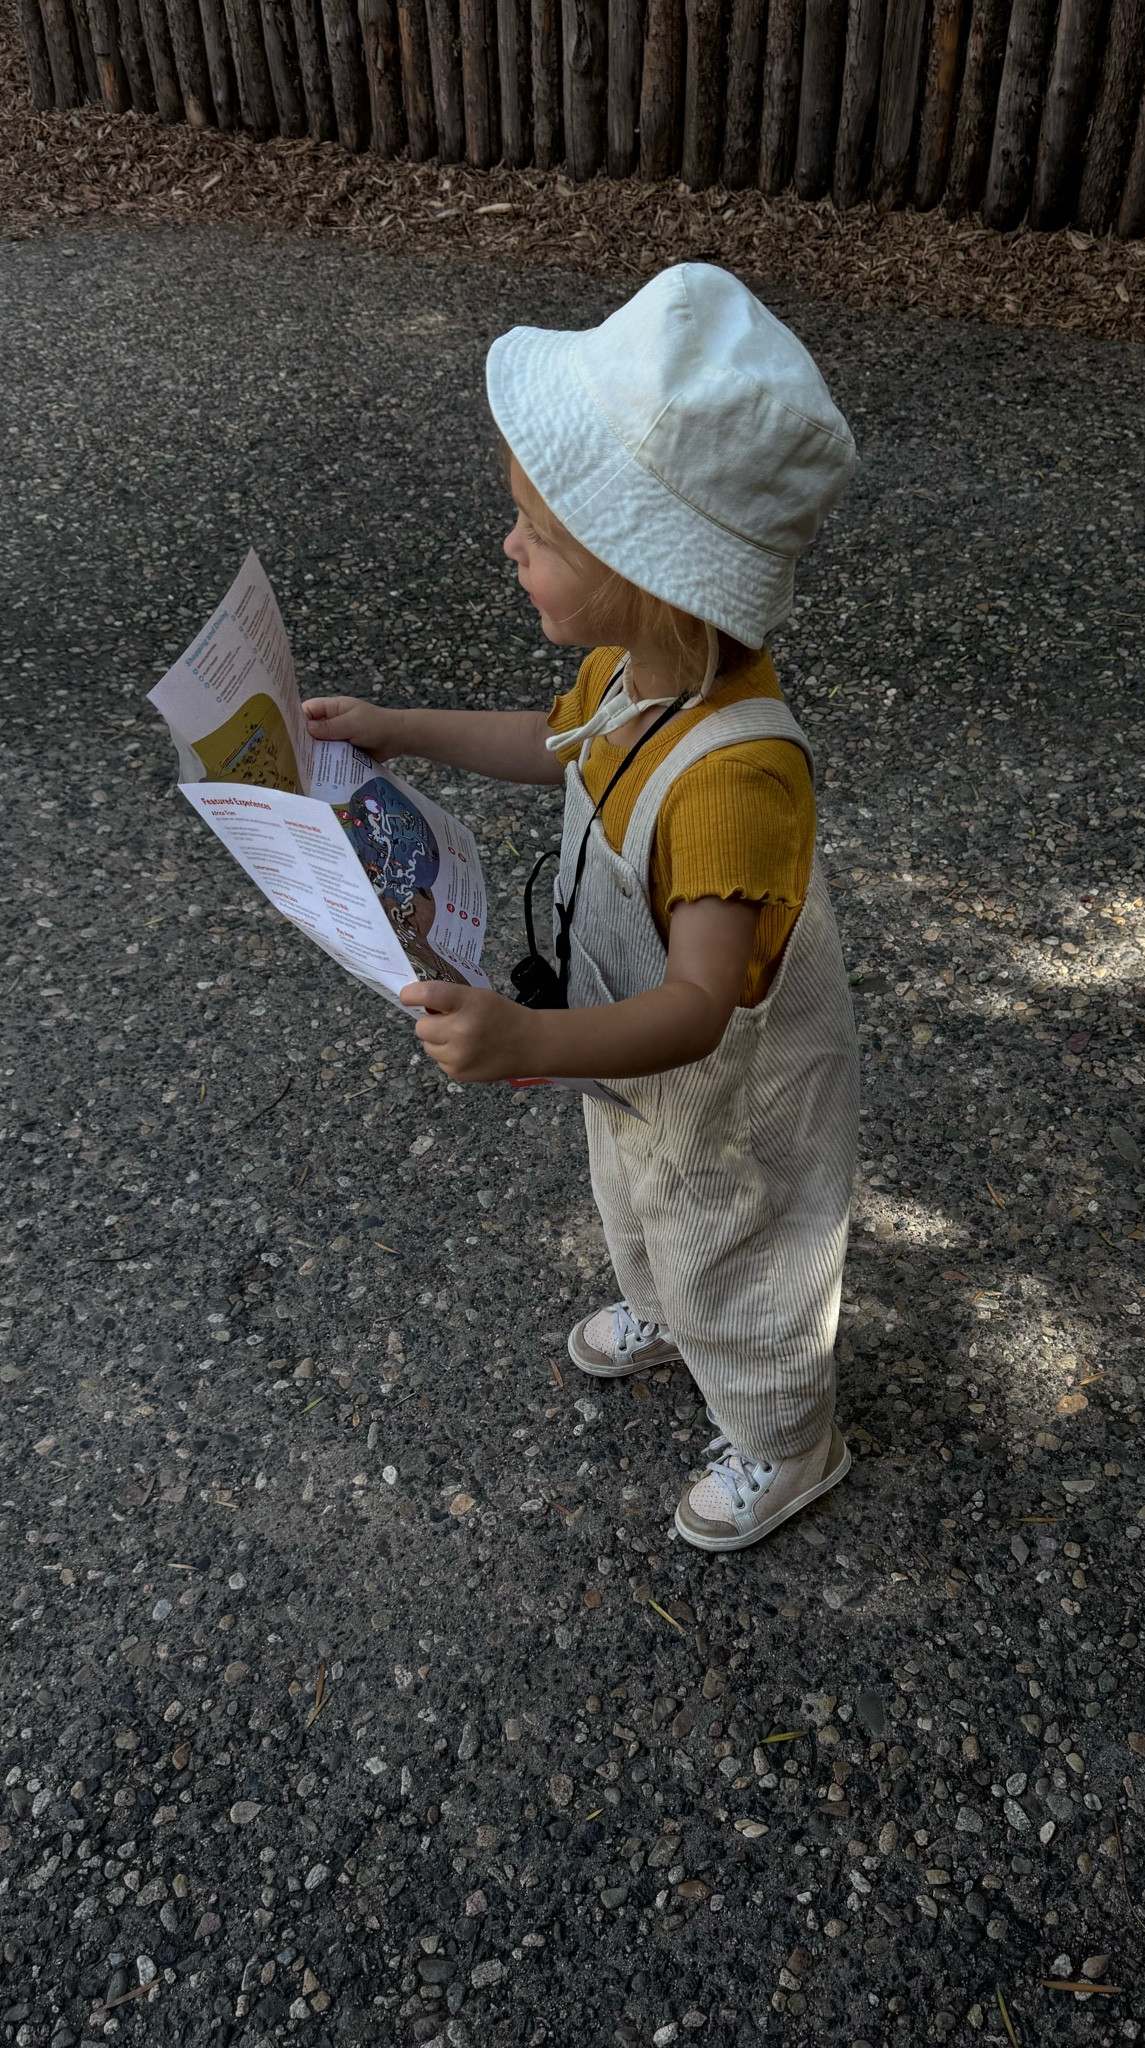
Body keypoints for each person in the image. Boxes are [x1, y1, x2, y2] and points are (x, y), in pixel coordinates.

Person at [303, 264, 860, 1553]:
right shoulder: (631, 670)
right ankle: (667, 1307)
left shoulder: (738, 778)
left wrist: (528, 1045)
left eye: (539, 533)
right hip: (631, 1052)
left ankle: (788, 1436)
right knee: (637, 1201)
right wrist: (401, 731)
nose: (510, 546)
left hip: (721, 1077)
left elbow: (701, 1005)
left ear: (649, 570)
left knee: (740, 1250)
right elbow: (556, 744)